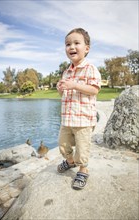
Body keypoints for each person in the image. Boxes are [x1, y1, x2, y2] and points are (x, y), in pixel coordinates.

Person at [56, 28, 101, 190]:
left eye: (76, 43)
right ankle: (70, 161)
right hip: (67, 118)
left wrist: (74, 85)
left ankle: (83, 169)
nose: (71, 47)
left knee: (82, 147)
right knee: (62, 143)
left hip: (83, 119)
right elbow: (64, 92)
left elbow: (94, 90)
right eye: (68, 44)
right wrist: (61, 89)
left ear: (87, 48)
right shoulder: (66, 71)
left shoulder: (90, 69)